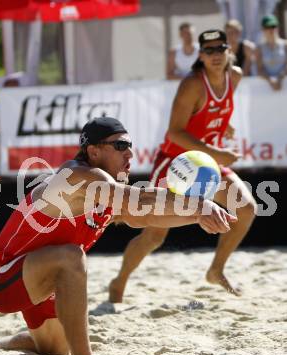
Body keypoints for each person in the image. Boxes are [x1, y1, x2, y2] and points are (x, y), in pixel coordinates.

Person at [0, 117, 235, 355]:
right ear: (93, 152)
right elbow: (138, 198)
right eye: (120, 146)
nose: (130, 154)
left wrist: (197, 215)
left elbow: (145, 216)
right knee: (72, 257)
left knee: (54, 350)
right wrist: (199, 205)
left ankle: (3, 344)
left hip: (39, 280)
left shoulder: (106, 197)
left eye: (130, 146)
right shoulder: (75, 177)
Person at [109, 30, 257, 304]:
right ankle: (120, 282)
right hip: (178, 163)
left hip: (208, 162)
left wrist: (226, 126)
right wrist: (216, 151)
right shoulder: (192, 84)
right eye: (208, 51)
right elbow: (175, 132)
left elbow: (217, 109)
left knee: (246, 209)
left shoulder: (234, 75)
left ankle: (216, 270)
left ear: (229, 51)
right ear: (200, 55)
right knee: (154, 235)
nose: (214, 55)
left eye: (219, 49)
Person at [256, 14, 287, 91]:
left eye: (273, 26)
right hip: (267, 87)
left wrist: (280, 78)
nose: (271, 30)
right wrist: (270, 80)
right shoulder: (259, 48)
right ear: (263, 29)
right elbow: (259, 70)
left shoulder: (285, 44)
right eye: (267, 27)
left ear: (277, 28)